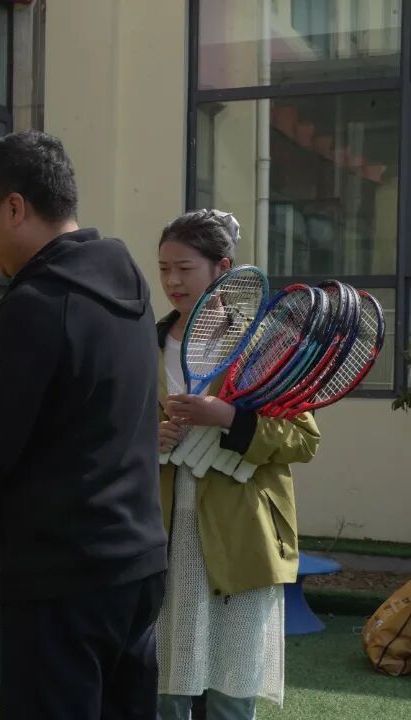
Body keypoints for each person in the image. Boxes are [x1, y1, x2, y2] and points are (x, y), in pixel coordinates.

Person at [0, 130, 168, 719]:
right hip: (138, 563)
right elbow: (81, 406)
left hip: (63, 575)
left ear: (15, 207)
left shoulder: (36, 302)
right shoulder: (127, 283)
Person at [155, 210, 320, 719]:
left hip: (241, 537)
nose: (172, 281)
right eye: (163, 269)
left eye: (184, 268)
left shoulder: (265, 345)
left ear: (223, 268)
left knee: (230, 691)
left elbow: (302, 439)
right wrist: (146, 439)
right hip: (158, 534)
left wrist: (228, 417)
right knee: (161, 686)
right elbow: (106, 428)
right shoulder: (145, 342)